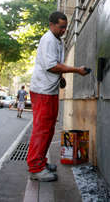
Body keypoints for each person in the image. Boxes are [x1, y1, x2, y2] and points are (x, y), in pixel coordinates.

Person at [27, 11, 89, 182]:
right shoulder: (48, 40)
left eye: (65, 28)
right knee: (41, 130)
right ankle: (35, 168)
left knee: (48, 129)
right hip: (42, 91)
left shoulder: (58, 41)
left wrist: (60, 78)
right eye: (61, 27)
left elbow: (55, 66)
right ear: (52, 25)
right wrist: (76, 70)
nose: (64, 30)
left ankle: (41, 162)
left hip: (50, 91)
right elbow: (52, 66)